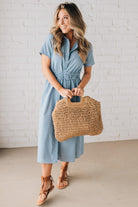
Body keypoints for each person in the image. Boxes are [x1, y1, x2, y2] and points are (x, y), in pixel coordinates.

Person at [36, 2, 95, 206]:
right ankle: (45, 183)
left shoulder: (86, 45)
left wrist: (80, 86)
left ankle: (63, 170)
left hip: (73, 95)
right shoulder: (51, 40)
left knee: (69, 133)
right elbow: (45, 68)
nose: (61, 22)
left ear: (74, 19)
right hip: (53, 92)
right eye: (59, 18)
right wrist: (59, 88)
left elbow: (87, 73)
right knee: (46, 134)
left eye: (66, 18)